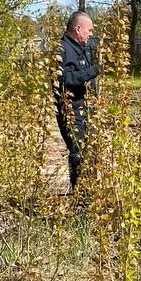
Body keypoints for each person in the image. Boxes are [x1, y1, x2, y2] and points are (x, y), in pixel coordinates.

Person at [54, 10, 98, 189]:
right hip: (71, 111)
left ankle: (89, 194)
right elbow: (64, 81)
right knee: (78, 152)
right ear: (78, 28)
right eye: (90, 30)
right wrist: (92, 71)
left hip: (85, 109)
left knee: (89, 151)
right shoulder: (62, 50)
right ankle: (79, 197)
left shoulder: (80, 48)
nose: (91, 34)